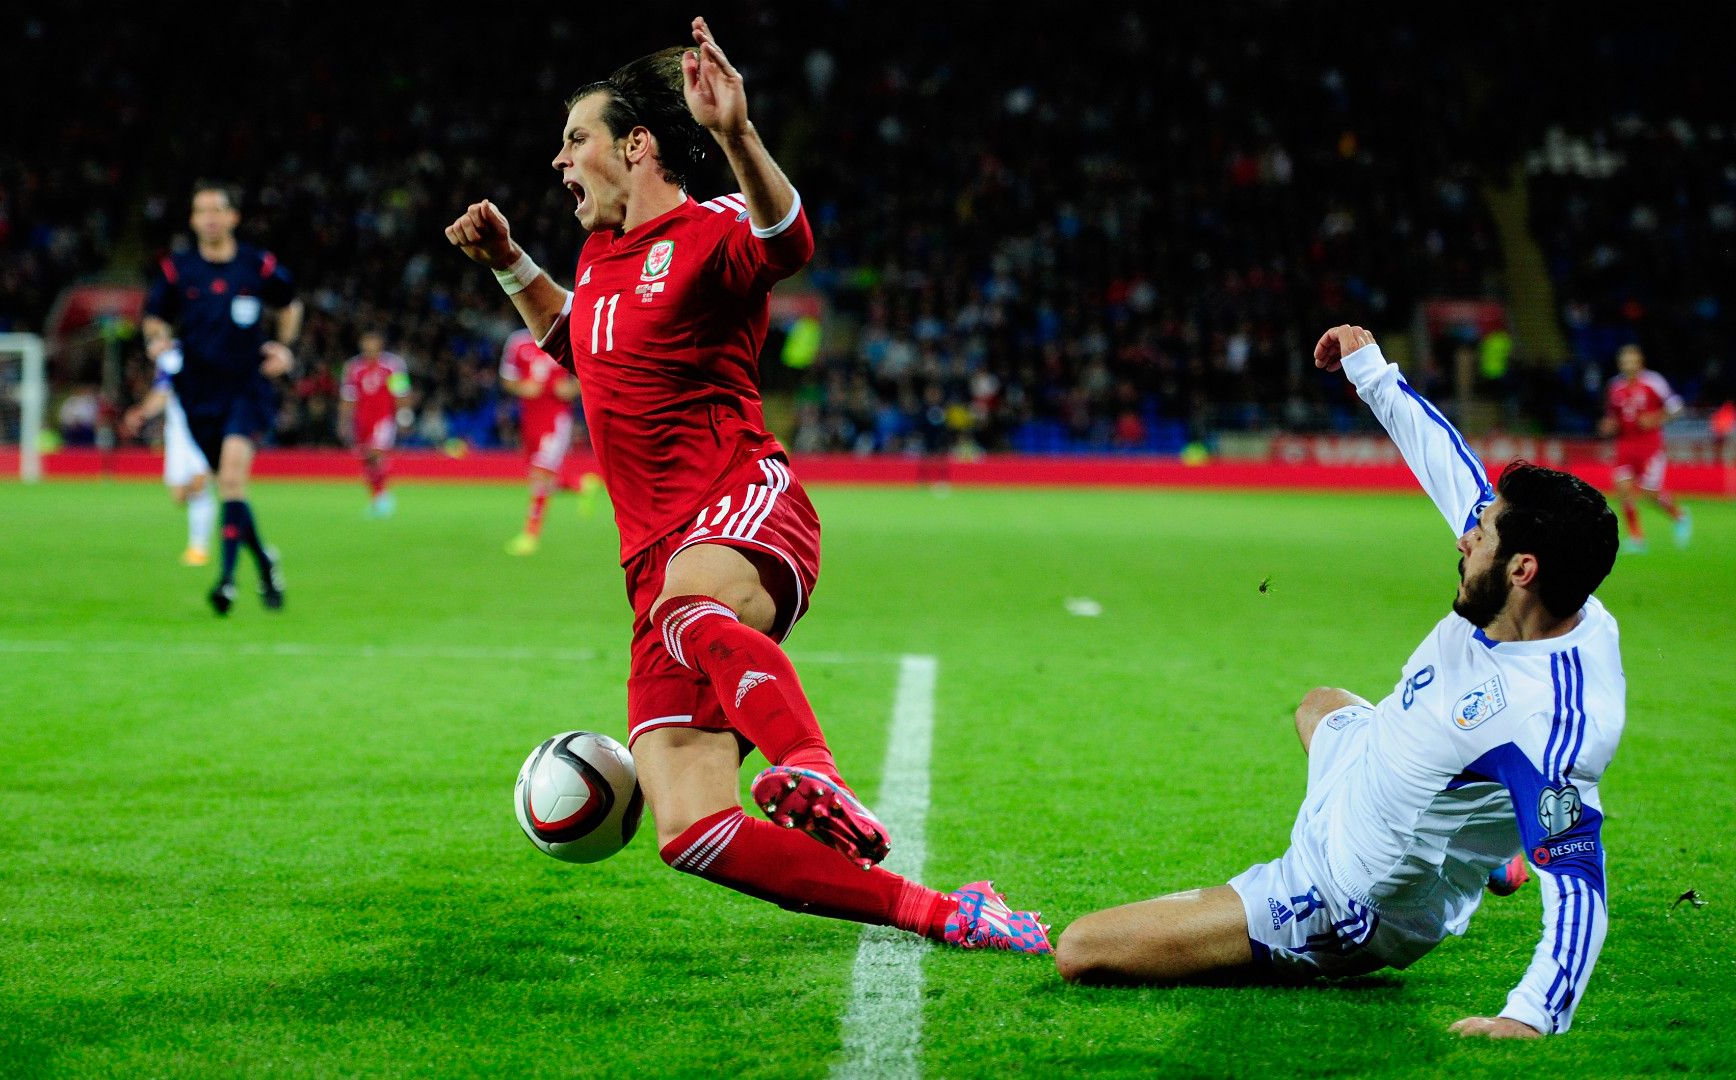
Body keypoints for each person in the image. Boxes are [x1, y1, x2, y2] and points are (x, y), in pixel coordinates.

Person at [444, 18, 1048, 953]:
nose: (558, 159)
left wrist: (735, 133)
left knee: (692, 609)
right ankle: (944, 910)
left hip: (741, 500)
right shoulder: (601, 259)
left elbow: (789, 240)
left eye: (576, 139)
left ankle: (812, 766)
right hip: (654, 562)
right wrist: (513, 267)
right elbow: (583, 346)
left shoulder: (710, 226)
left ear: (636, 146)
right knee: (693, 832)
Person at [1055, 325, 1623, 1039]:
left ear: (1522, 571)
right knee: (1319, 704)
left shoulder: (1552, 720)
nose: (1463, 536)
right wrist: (1370, 370)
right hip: (1365, 765)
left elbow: (1579, 884)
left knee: (1082, 949)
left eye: (1480, 534)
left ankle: (1470, 865)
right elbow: (1447, 467)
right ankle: (1489, 857)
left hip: (1342, 893)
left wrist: (1531, 1016)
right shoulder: (1528, 581)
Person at [142, 180, 302, 615]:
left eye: (216, 210)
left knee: (231, 481)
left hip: (246, 388)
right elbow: (155, 318)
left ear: (233, 217)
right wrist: (156, 341)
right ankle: (265, 562)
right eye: (200, 212)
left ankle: (227, 581)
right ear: (193, 221)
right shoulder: (178, 269)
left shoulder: (257, 265)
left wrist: (284, 346)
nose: (208, 218)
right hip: (195, 392)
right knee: (231, 489)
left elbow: (289, 303)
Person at [123, 335, 217, 565]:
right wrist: (143, 413)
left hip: (204, 428)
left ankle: (199, 547)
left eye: (151, 345)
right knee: (179, 495)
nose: (150, 351)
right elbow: (162, 393)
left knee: (199, 484)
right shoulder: (169, 361)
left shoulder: (199, 351)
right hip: (177, 434)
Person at [1600, 344, 1690, 552]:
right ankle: (1637, 538)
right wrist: (1608, 425)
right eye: (1624, 361)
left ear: (1640, 362)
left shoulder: (1653, 381)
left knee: (1650, 492)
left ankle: (1679, 516)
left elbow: (1677, 408)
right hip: (1624, 443)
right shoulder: (1614, 386)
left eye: (1632, 361)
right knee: (1623, 488)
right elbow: (1612, 415)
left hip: (1649, 444)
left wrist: (1656, 418)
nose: (1628, 365)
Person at [499, 327, 580, 554]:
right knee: (540, 475)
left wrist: (573, 388)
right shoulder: (517, 342)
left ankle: (530, 534)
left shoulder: (565, 336)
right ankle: (580, 485)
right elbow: (507, 379)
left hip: (556, 418)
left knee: (540, 473)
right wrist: (521, 387)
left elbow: (589, 371)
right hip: (530, 418)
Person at [339, 328, 410, 518]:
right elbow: (348, 397)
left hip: (384, 419)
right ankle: (378, 497)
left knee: (376, 455)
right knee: (367, 460)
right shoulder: (353, 367)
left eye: (373, 341)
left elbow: (401, 393)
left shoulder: (393, 365)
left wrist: (404, 415)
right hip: (362, 420)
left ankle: (383, 499)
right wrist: (344, 421)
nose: (369, 345)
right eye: (366, 341)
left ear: (380, 343)